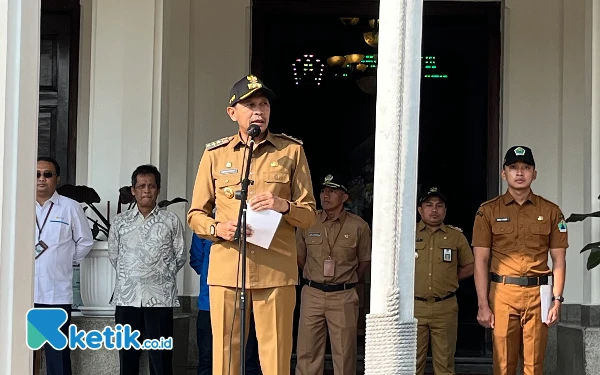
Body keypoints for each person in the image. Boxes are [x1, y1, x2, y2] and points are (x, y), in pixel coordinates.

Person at [187, 74, 317, 375]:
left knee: (275, 358)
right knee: (225, 358)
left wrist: (283, 205)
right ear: (233, 113)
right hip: (228, 268)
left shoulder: (291, 151)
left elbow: (310, 214)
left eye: (264, 104)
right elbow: (196, 213)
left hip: (275, 271)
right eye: (250, 105)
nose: (259, 110)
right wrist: (216, 229)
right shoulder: (214, 155)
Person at [472, 146, 568, 375]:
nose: (520, 173)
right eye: (513, 168)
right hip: (503, 293)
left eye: (526, 168)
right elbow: (480, 261)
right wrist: (483, 304)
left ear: (534, 173)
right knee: (503, 366)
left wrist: (557, 299)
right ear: (504, 173)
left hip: (538, 295)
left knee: (534, 366)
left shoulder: (552, 211)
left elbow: (559, 259)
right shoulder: (488, 211)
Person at [108, 164, 186, 375]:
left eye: (151, 186)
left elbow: (180, 256)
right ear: (133, 190)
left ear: (158, 189)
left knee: (160, 358)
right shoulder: (120, 222)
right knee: (127, 356)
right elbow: (114, 255)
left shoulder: (170, 221)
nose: (146, 190)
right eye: (141, 186)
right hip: (127, 299)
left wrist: (157, 273)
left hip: (159, 299)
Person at [295, 174, 371, 375]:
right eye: (323, 191)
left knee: (344, 353)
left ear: (344, 197)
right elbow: (299, 258)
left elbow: (364, 262)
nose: (325, 196)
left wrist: (346, 280)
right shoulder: (308, 222)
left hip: (343, 295)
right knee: (307, 350)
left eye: (332, 191)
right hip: (313, 292)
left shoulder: (359, 226)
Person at [33, 156, 94, 375]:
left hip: (55, 295)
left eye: (47, 174)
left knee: (57, 354)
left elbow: (85, 241)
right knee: (22, 352)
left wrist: (65, 260)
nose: (41, 179)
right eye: (37, 174)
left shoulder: (70, 207)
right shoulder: (19, 205)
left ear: (56, 179)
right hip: (25, 295)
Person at [413, 187, 474, 375]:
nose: (434, 210)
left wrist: (449, 280)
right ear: (419, 209)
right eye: (428, 205)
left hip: (445, 307)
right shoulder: (407, 234)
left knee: (445, 364)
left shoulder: (456, 236)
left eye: (439, 206)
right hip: (414, 306)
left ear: (445, 211)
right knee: (411, 363)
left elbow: (470, 266)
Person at [189, 232, 261, 375]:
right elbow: (197, 259)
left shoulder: (252, 222)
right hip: (209, 303)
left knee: (249, 359)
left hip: (247, 304)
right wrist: (214, 277)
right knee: (207, 357)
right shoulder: (206, 222)